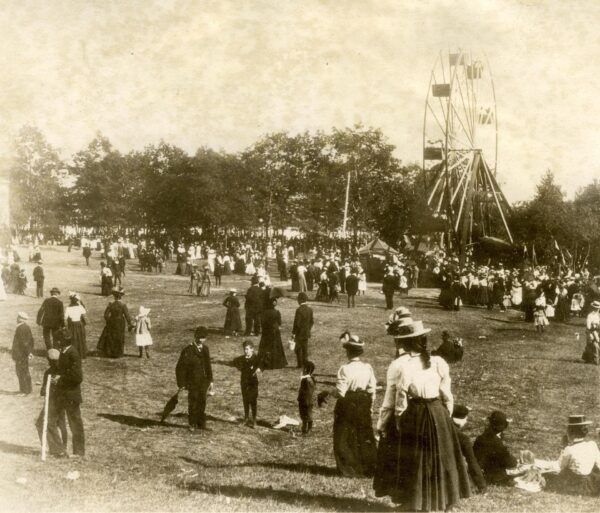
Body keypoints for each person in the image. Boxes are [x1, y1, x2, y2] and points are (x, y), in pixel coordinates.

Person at [372, 319, 470, 511]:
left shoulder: (401, 365)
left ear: (403, 342)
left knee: (416, 460)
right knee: (442, 458)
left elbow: (396, 397)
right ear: (423, 340)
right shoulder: (438, 362)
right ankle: (445, 500)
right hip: (438, 412)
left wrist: (390, 421)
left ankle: (416, 502)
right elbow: (447, 393)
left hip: (416, 414)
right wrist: (445, 416)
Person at [333, 334, 377, 477]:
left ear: (348, 352)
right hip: (364, 402)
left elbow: (341, 392)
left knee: (344, 434)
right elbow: (372, 388)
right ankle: (368, 467)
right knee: (363, 433)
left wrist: (328, 392)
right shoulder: (367, 367)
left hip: (349, 403)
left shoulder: (345, 369)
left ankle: (349, 468)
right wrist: (370, 405)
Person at [50, 330, 85, 458]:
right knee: (57, 421)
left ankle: (79, 452)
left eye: (58, 340)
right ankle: (60, 449)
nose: (56, 342)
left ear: (63, 341)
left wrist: (61, 378)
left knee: (75, 423)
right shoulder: (64, 352)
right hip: (61, 394)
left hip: (71, 395)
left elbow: (77, 377)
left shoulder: (73, 353)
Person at [546, 415, 600, 496]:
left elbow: (559, 467)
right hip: (591, 484)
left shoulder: (569, 449)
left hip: (574, 484)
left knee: (551, 477)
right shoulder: (592, 445)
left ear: (570, 432)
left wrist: (563, 448)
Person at [176, 327, 214, 431]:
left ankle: (201, 423)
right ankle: (192, 423)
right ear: (195, 337)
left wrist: (211, 380)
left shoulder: (206, 349)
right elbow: (180, 368)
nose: (202, 340)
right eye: (200, 338)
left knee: (202, 401)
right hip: (192, 382)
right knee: (193, 402)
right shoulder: (188, 350)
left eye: (204, 338)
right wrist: (181, 383)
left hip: (203, 381)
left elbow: (208, 366)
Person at [36, 348, 68, 457]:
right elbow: (43, 391)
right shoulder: (49, 372)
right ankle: (52, 447)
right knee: (43, 423)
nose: (53, 363)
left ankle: (59, 450)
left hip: (56, 403)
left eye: (54, 361)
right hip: (51, 402)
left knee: (47, 423)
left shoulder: (62, 372)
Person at [473, 410, 518, 486]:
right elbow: (510, 462)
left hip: (478, 470)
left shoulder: (480, 437)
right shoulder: (496, 442)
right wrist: (516, 461)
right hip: (493, 476)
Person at [452, 405, 487, 493]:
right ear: (462, 419)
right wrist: (481, 485)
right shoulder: (463, 438)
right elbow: (472, 461)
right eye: (466, 419)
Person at [232, 340, 262, 428]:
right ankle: (246, 419)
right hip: (244, 382)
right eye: (245, 349)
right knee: (245, 400)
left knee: (253, 401)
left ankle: (254, 420)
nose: (246, 351)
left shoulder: (256, 358)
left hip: (253, 383)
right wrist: (240, 368)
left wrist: (259, 369)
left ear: (252, 349)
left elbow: (263, 364)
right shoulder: (242, 358)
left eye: (247, 349)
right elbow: (234, 361)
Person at [98, 288, 133, 358]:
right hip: (120, 322)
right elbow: (127, 316)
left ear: (114, 296)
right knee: (119, 336)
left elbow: (105, 315)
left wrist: (109, 321)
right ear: (121, 297)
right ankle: (118, 353)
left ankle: (110, 352)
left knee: (111, 336)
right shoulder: (123, 305)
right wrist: (130, 324)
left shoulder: (111, 304)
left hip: (112, 321)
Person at [257, 298, 288, 370]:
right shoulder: (277, 312)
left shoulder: (263, 312)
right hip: (275, 332)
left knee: (265, 347)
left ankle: (264, 362)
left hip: (266, 332)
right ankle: (276, 363)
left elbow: (262, 322)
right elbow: (279, 323)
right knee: (275, 347)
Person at [12, 312, 34, 395]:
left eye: (19, 317)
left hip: (21, 354)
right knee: (24, 371)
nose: (17, 318)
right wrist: (30, 352)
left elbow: (24, 342)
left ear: (22, 319)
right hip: (24, 353)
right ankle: (28, 389)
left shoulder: (21, 328)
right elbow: (31, 340)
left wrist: (28, 352)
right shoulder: (26, 327)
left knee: (21, 372)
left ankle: (24, 391)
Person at [291, 292, 314, 368]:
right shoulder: (310, 309)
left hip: (299, 333)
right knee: (305, 348)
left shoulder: (299, 310)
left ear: (300, 300)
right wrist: (308, 328)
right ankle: (305, 362)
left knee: (298, 348)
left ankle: (300, 363)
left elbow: (296, 323)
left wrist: (294, 333)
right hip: (306, 332)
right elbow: (311, 321)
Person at [65, 292, 88, 359]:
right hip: (79, 325)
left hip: (72, 325)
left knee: (73, 339)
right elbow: (84, 314)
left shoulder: (68, 308)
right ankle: (81, 353)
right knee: (80, 338)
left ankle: (73, 354)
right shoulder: (80, 307)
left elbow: (65, 318)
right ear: (77, 300)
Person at [298, 361, 316, 435]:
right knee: (304, 414)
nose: (302, 370)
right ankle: (304, 427)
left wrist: (304, 399)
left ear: (305, 369)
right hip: (305, 400)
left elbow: (308, 392)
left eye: (303, 368)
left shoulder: (307, 380)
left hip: (306, 401)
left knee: (308, 415)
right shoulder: (308, 379)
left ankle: (309, 429)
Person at [582, 300, 600, 365]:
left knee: (595, 344)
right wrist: (594, 327)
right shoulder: (590, 315)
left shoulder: (598, 315)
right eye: (596, 308)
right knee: (593, 345)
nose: (597, 309)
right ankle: (594, 359)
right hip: (590, 331)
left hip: (597, 331)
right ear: (594, 308)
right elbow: (588, 326)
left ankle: (591, 358)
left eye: (598, 308)